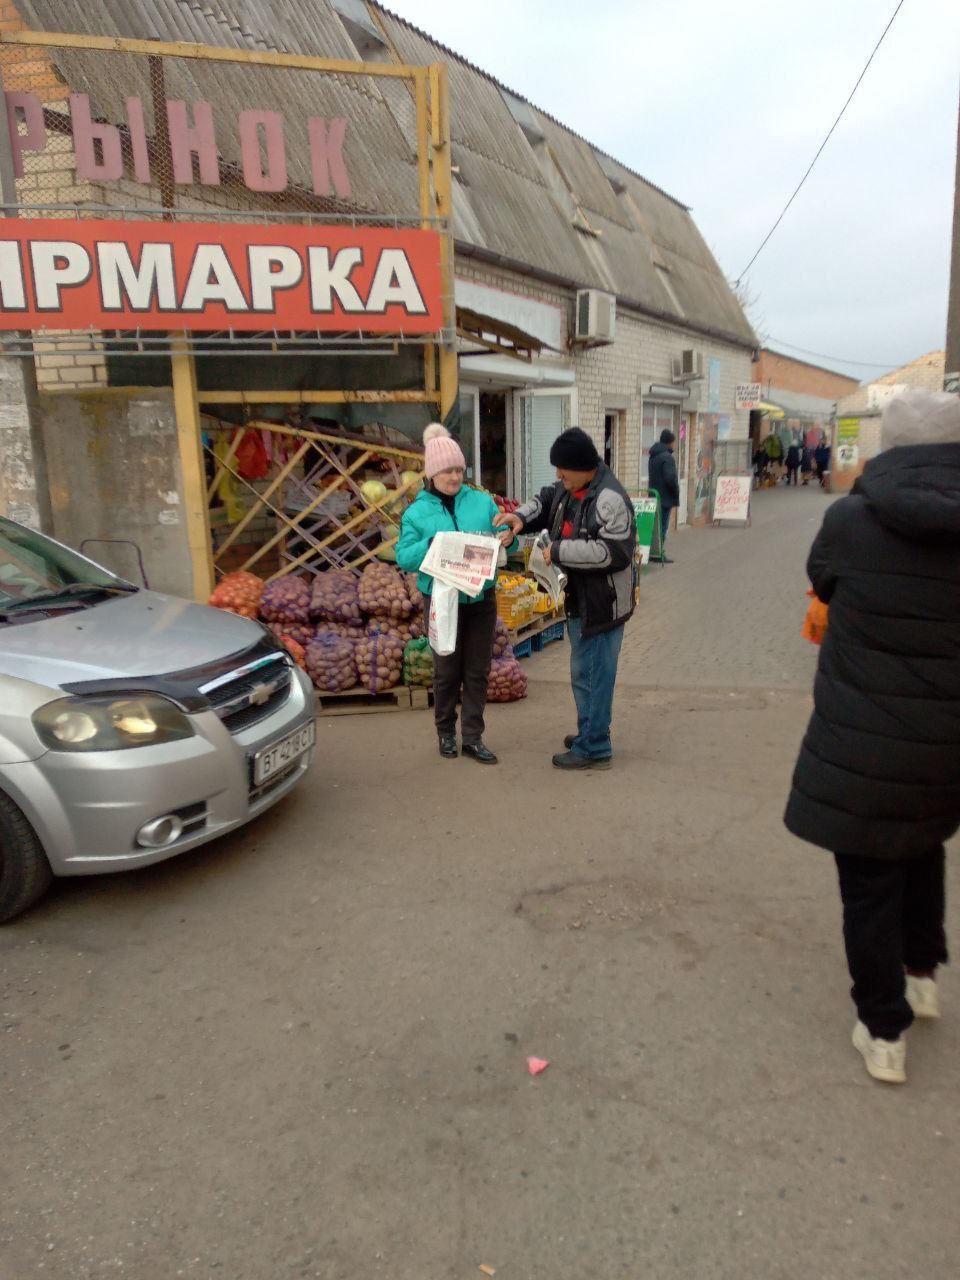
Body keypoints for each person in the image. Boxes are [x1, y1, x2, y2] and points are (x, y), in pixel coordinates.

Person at [783, 391, 960, 1085]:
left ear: (891, 446)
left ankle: (884, 1030)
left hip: (864, 737)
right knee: (923, 845)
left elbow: (820, 578)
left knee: (869, 880)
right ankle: (922, 979)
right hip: (947, 741)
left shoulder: (851, 520)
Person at [494, 427, 636, 769]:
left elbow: (613, 552)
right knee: (583, 671)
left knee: (593, 675)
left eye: (563, 469)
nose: (558, 475)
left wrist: (557, 550)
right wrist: (518, 518)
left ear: (584, 465)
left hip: (603, 605)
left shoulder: (609, 499)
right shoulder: (569, 488)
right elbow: (544, 500)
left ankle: (595, 745)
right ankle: (590, 731)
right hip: (579, 600)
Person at [397, 423, 513, 765]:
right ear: (433, 472)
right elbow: (404, 556)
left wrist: (509, 537)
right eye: (448, 470)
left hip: (480, 599)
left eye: (459, 469)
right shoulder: (417, 513)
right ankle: (445, 732)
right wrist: (432, 544)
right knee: (446, 671)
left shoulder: (481, 501)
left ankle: (473, 737)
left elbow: (507, 536)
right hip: (441, 602)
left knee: (478, 671)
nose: (454, 476)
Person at [647, 429, 680, 562]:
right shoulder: (667, 457)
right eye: (673, 442)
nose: (674, 445)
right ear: (670, 442)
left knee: (655, 528)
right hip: (665, 499)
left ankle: (652, 553)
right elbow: (670, 479)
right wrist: (675, 491)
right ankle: (658, 554)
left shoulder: (653, 456)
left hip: (653, 497)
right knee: (662, 528)